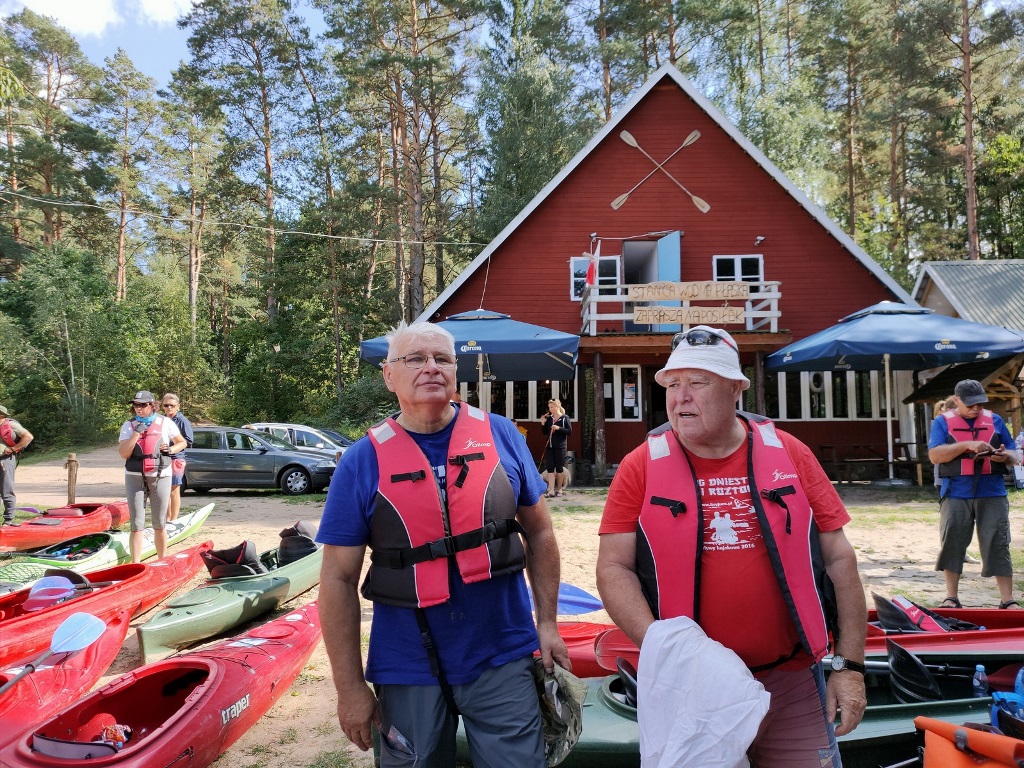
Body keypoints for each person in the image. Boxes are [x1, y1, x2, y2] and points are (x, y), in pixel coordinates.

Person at [596, 326, 867, 768]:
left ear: (736, 389)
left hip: (793, 679)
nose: (681, 397)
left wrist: (850, 666)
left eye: (698, 382)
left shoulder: (791, 454)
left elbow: (840, 559)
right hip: (692, 691)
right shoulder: (640, 465)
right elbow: (613, 567)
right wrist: (667, 650)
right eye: (672, 383)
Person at [317, 321, 568, 768]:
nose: (431, 367)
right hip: (405, 665)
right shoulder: (361, 460)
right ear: (388, 376)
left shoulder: (501, 435)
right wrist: (349, 686)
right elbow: (337, 578)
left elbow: (541, 532)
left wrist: (547, 623)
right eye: (415, 358)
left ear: (456, 371)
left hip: (503, 655)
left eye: (443, 359)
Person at [928, 379, 1021, 609]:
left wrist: (1003, 456)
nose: (976, 408)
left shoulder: (995, 420)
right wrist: (967, 444)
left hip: (993, 492)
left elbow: (1014, 454)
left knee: (998, 542)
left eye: (980, 404)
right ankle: (951, 597)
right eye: (970, 404)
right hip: (956, 492)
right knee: (952, 542)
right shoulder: (941, 423)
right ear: (956, 400)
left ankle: (1007, 599)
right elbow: (935, 456)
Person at [117, 391, 186, 562]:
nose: (138, 408)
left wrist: (170, 450)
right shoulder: (129, 425)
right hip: (134, 476)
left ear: (152, 405)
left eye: (142, 405)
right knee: (136, 524)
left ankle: (162, 561)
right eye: (135, 405)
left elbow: (182, 442)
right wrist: (136, 434)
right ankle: (135, 564)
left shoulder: (165, 422)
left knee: (159, 523)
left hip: (160, 475)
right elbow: (124, 454)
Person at [160, 393, 193, 522]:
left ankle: (174, 520)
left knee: (174, 488)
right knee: (164, 489)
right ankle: (167, 519)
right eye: (166, 405)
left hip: (176, 458)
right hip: (163, 458)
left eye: (172, 405)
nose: (169, 408)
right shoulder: (161, 420)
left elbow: (188, 441)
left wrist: (172, 447)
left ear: (178, 406)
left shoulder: (182, 420)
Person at [0, 404, 34, 526]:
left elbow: (28, 437)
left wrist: (13, 449)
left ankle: (8, 521)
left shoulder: (10, 425)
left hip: (5, 460)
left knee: (6, 490)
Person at [540, 399, 572, 498]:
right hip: (550, 446)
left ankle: (560, 489)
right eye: (549, 407)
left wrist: (559, 428)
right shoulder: (550, 418)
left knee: (559, 468)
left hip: (560, 446)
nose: (550, 409)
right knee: (550, 468)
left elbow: (569, 431)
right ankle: (551, 490)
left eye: (552, 407)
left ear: (557, 406)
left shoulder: (564, 418)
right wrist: (543, 423)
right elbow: (545, 432)